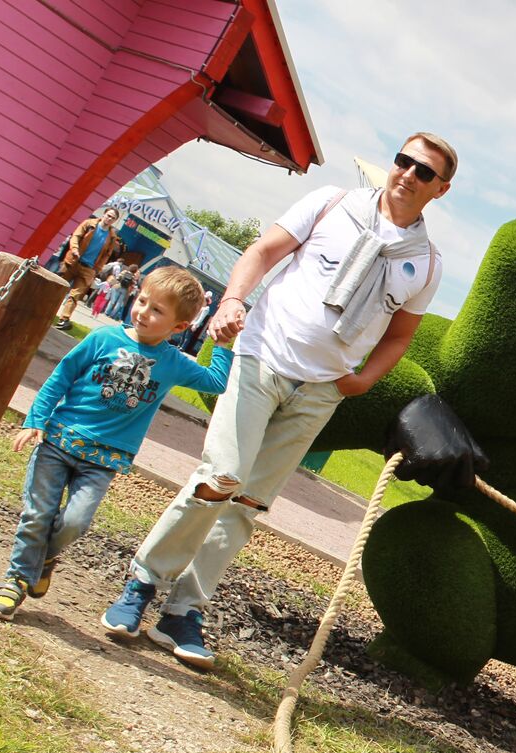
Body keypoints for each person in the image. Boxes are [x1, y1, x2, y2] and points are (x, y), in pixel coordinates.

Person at [101, 132, 457, 670]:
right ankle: (142, 584)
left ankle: (183, 612)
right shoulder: (332, 202)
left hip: (321, 390)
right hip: (262, 359)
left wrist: (361, 382)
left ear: (441, 189)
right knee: (219, 477)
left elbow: (399, 336)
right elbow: (263, 251)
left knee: (249, 502)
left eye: (423, 171)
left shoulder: (425, 264)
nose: (407, 174)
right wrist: (233, 300)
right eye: (403, 160)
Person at [0, 268, 232, 619]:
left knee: (75, 522)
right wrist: (36, 419)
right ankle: (16, 580)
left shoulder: (173, 364)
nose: (142, 312)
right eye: (142, 301)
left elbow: (216, 382)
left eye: (157, 310)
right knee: (37, 514)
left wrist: (223, 344)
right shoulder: (102, 339)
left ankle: (41, 558)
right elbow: (61, 377)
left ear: (179, 327)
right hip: (59, 440)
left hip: (103, 459)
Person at [53, 207, 123, 330]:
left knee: (75, 295)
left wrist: (97, 269)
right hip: (73, 262)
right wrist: (74, 249)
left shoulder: (112, 237)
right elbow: (76, 236)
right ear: (104, 214)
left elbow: (107, 254)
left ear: (115, 221)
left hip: (88, 269)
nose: (109, 219)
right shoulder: (89, 224)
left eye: (113, 218)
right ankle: (45, 308)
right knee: (59, 288)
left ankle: (64, 319)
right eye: (109, 215)